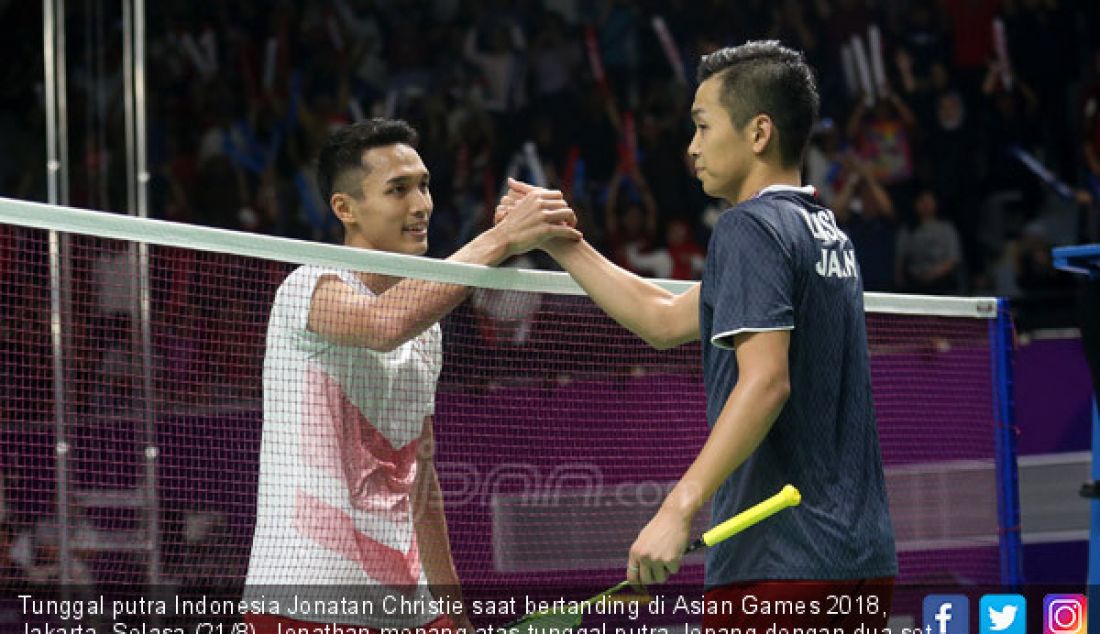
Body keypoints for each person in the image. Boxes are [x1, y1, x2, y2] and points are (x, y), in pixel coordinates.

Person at [498, 41, 896, 632]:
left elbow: (765, 383)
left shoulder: (748, 228)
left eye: (703, 126)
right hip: (862, 559)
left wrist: (676, 509)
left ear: (758, 132)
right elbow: (662, 318)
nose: (692, 146)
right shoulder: (824, 230)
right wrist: (563, 242)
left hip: (778, 563)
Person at [244, 118, 578, 634]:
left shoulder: (427, 329)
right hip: (306, 599)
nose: (420, 205)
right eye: (397, 190)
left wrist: (453, 610)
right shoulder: (308, 287)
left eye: (423, 185)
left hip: (407, 605)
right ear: (345, 209)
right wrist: (501, 239)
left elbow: (419, 476)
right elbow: (382, 325)